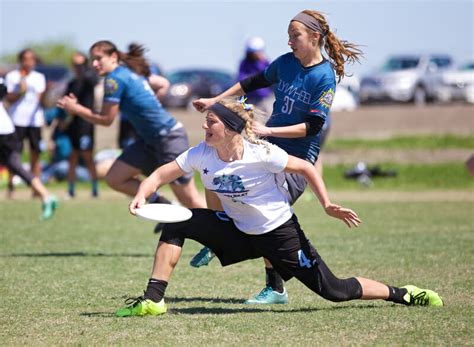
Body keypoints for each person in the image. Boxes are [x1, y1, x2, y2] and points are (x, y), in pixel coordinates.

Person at [115, 98, 443, 317]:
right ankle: (153, 300)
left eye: (210, 122)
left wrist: (327, 204)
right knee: (178, 222)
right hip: (238, 231)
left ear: (229, 127)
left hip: (279, 234)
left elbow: (306, 168)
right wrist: (142, 193)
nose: (204, 127)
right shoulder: (202, 153)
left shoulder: (262, 153)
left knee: (335, 290)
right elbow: (160, 174)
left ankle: (403, 293)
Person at [191, 9, 362, 304]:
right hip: (267, 148)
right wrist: (216, 101)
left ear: (314, 37)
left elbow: (314, 126)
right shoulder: (285, 64)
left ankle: (274, 286)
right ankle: (218, 229)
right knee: (215, 172)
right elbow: (250, 83)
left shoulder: (324, 76)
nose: (290, 42)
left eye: (295, 36)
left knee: (263, 212)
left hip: (295, 161)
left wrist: (270, 132)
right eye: (288, 36)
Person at [57, 41, 205, 210]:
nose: (94, 64)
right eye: (92, 59)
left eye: (98, 59)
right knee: (115, 178)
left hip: (169, 138)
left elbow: (106, 119)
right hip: (149, 140)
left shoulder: (114, 79)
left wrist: (75, 108)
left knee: (190, 200)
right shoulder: (128, 73)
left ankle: (223, 229)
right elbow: (163, 83)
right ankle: (160, 203)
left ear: (113, 57)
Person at [0, 78, 57, 220]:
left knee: (16, 166)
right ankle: (47, 196)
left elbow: (4, 92)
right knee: (15, 166)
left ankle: (46, 196)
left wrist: (21, 90)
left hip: (3, 131)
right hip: (7, 129)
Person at [4, 48, 47, 198]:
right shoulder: (12, 76)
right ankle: (10, 187)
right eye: (26, 59)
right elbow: (8, 99)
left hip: (34, 122)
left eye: (32, 59)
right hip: (16, 120)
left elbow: (41, 100)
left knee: (35, 155)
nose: (29, 63)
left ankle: (36, 189)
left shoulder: (39, 77)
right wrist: (21, 89)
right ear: (20, 61)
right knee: (14, 155)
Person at [63, 51, 100, 198]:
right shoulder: (71, 83)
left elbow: (95, 81)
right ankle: (71, 189)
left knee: (87, 156)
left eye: (81, 64)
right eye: (75, 65)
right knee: (72, 157)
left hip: (86, 124)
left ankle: (95, 189)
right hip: (74, 125)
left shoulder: (89, 80)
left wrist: (88, 69)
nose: (78, 67)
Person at [237, 37, 273, 116]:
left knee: (270, 118)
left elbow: (269, 75)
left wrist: (261, 61)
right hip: (250, 98)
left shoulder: (264, 62)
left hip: (265, 97)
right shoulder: (245, 63)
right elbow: (241, 78)